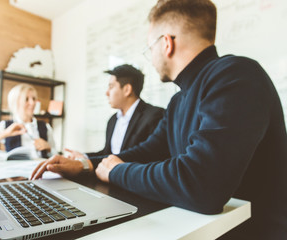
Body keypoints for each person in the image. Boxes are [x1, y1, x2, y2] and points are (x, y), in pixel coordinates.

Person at [31, 0, 287, 239]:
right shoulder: (177, 102)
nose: (150, 57)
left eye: (149, 48)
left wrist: (117, 171)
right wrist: (86, 165)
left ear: (166, 43)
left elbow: (202, 185)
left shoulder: (235, 75)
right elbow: (147, 152)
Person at [65, 64, 164, 160]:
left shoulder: (154, 116)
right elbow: (107, 154)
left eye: (111, 87)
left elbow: (145, 156)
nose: (107, 92)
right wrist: (84, 157)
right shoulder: (113, 120)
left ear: (127, 90)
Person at [0, 83, 57, 159]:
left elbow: (56, 155)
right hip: (16, 177)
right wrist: (4, 134)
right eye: (26, 99)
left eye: (34, 99)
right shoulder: (5, 126)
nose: (32, 103)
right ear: (15, 102)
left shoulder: (46, 127)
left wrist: (48, 148)